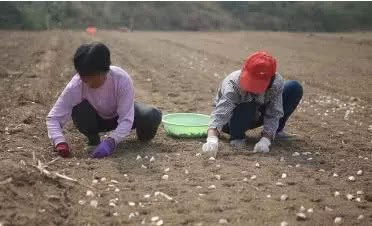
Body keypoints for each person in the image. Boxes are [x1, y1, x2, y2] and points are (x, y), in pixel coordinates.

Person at [46, 42, 162, 158]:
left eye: (90, 77)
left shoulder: (121, 79)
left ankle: (142, 139)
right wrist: (59, 142)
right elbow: (53, 118)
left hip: (118, 115)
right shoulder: (76, 85)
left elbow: (126, 119)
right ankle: (93, 139)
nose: (85, 81)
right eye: (82, 76)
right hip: (97, 121)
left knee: (151, 115)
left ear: (105, 71)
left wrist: (111, 141)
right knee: (80, 107)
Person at [202, 51, 303, 157]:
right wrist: (212, 139)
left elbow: (274, 111)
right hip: (232, 119)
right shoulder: (233, 83)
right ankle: (237, 137)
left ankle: (275, 132)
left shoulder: (276, 83)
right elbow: (220, 114)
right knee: (248, 103)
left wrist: (266, 140)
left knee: (293, 87)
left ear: (271, 79)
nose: (253, 89)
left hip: (257, 113)